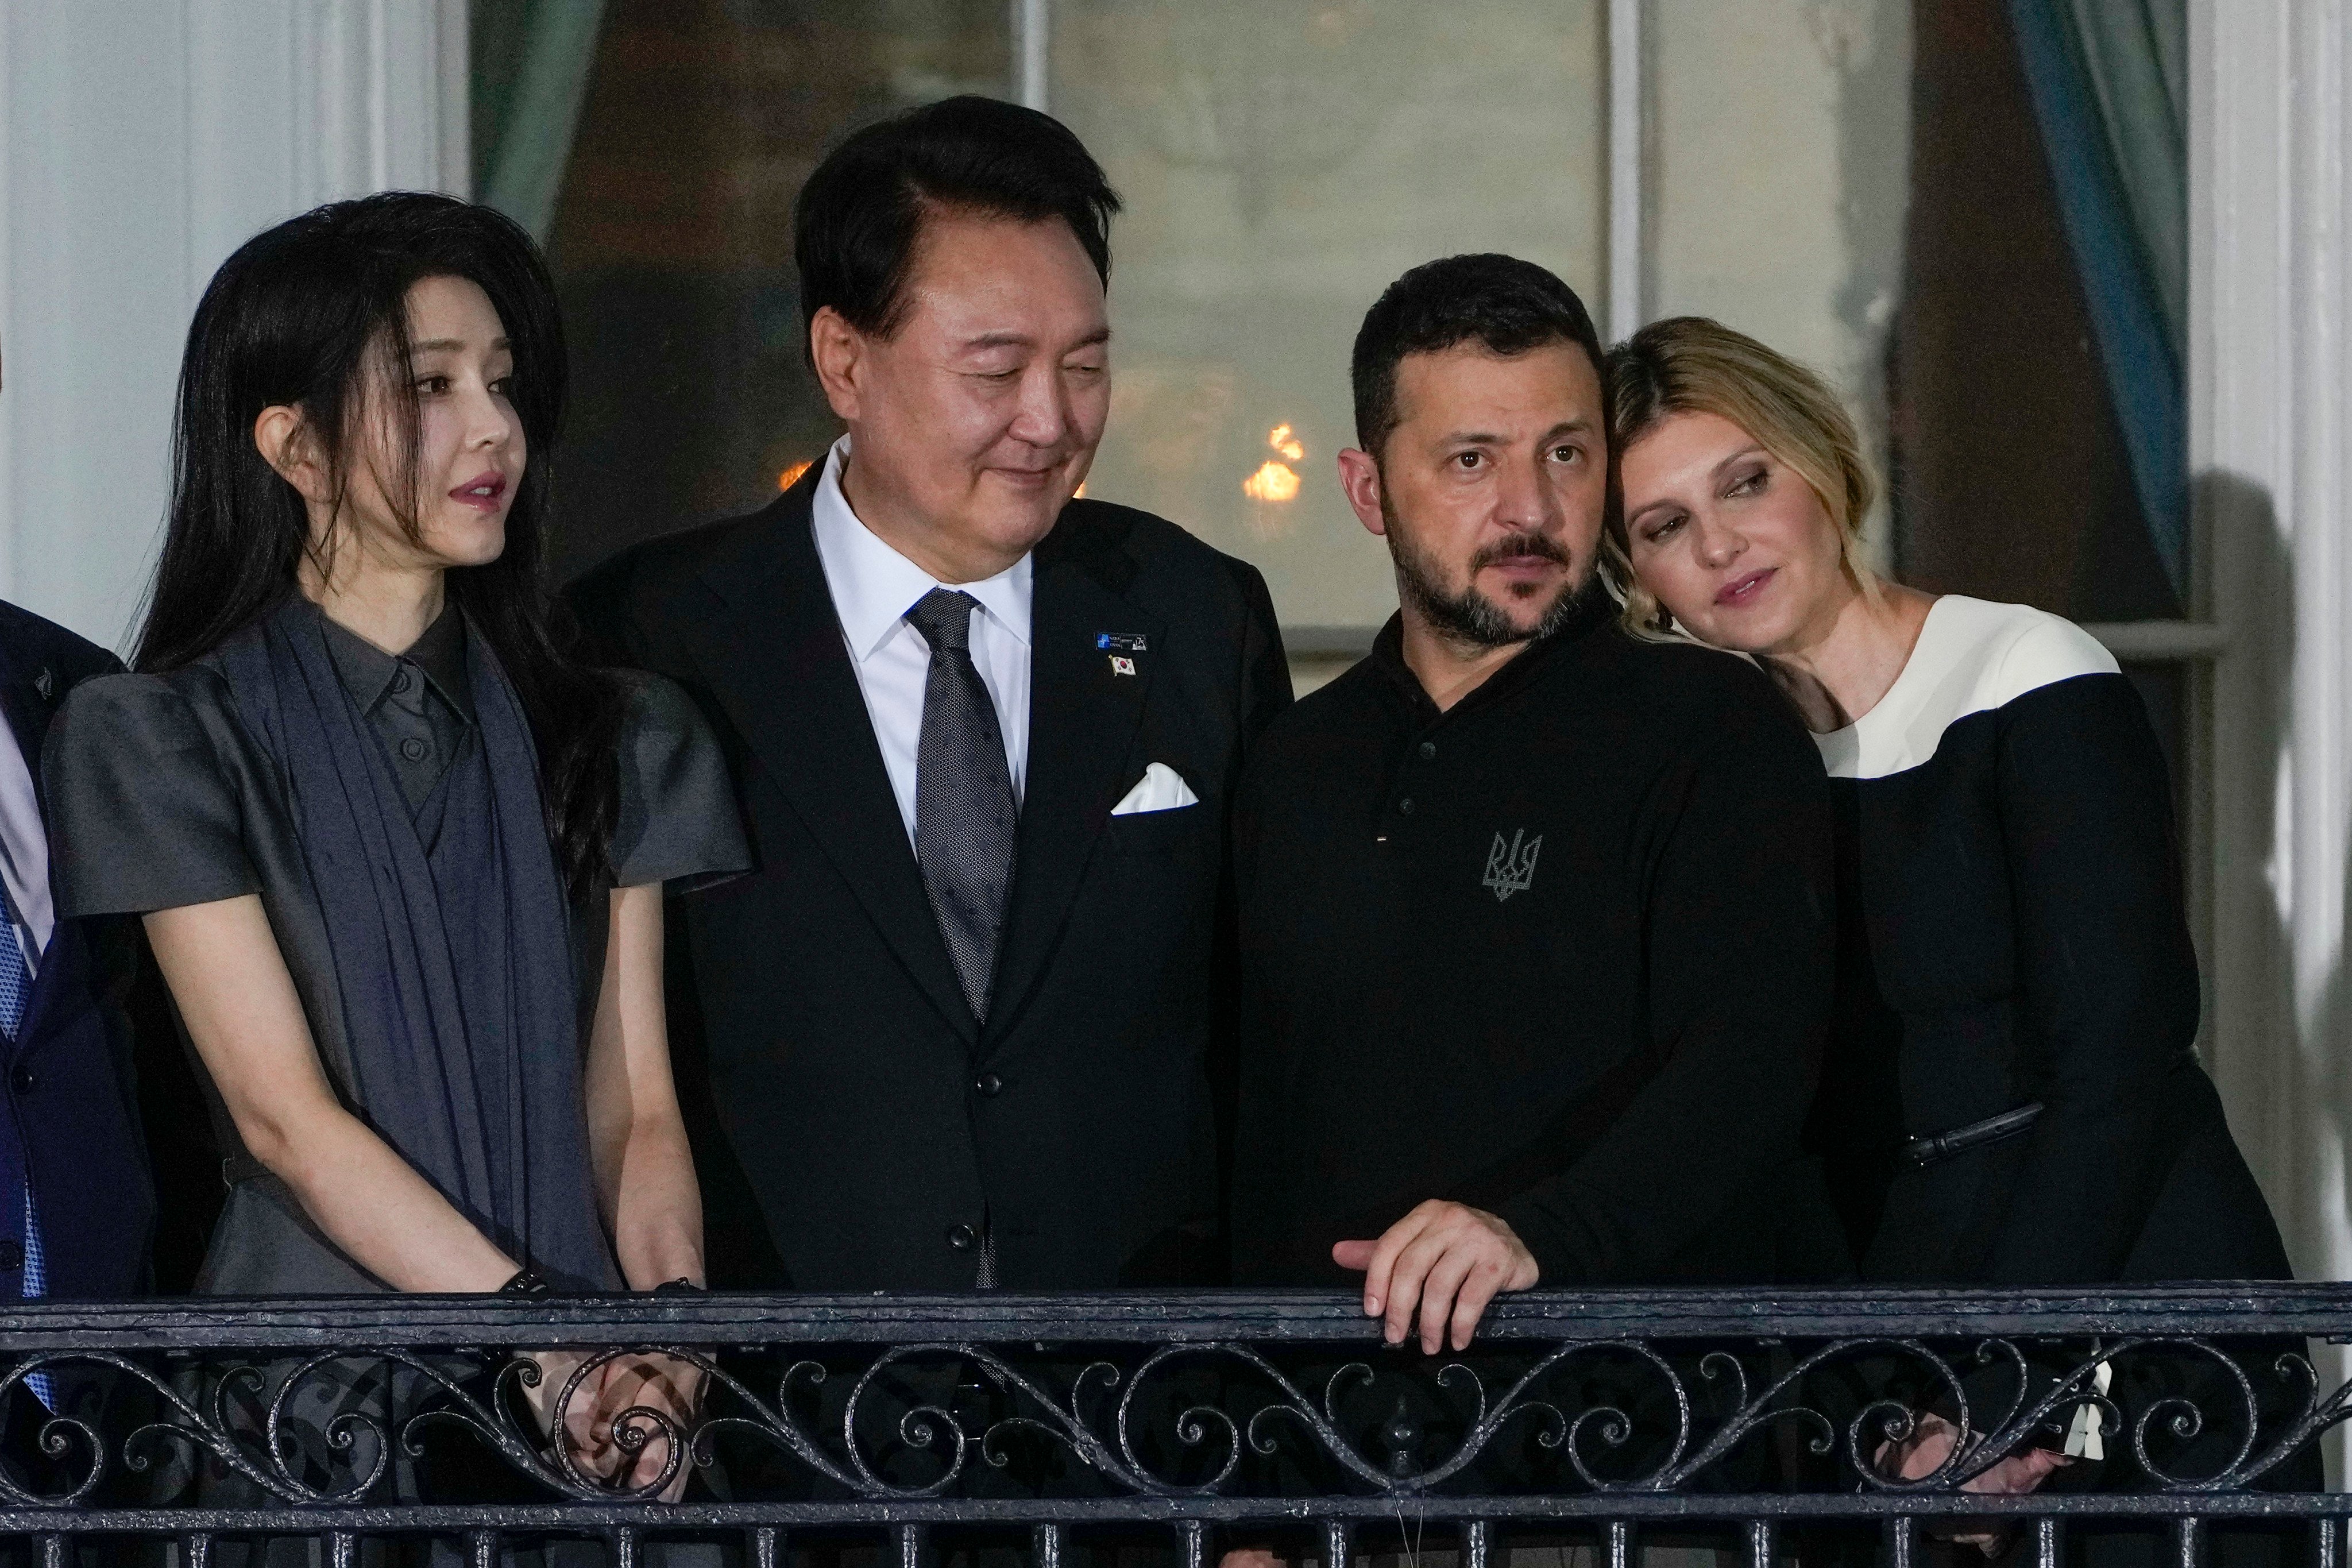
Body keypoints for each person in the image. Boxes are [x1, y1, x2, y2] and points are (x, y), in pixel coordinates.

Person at [43, 192, 746, 1493]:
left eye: (501, 382)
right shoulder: (160, 738)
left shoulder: (618, 728)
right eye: (428, 386)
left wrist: (666, 1348)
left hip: (585, 1409)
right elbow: (280, 1122)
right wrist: (547, 1342)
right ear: (292, 446)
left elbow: (635, 1111)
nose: (494, 428)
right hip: (306, 1416)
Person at [1604, 315, 2312, 1554]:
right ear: (1637, 580)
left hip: (2130, 1303)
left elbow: (2118, 1057)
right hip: (1878, 1354)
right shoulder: (1716, 779)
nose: (1718, 542)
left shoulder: (2025, 671)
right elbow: (1756, 1118)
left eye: (1744, 480)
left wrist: (1997, 1392)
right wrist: (1887, 1409)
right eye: (1663, 527)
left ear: (1820, 463)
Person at [567, 95, 1291, 1291]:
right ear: (843, 360)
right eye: (996, 369)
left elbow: (1265, 1016)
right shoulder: (647, 637)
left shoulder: (1190, 611)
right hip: (786, 1397)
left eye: (1086, 367)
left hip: (1141, 1407)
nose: (1049, 422)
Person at [1226, 256, 1844, 1355]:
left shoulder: (1710, 725)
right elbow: (1242, 1126)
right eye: (1471, 461)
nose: (1531, 511)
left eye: (1566, 454)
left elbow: (1752, 1068)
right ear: (1368, 490)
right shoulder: (1291, 764)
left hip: (1620, 1445)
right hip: (1319, 1455)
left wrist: (1538, 1236)